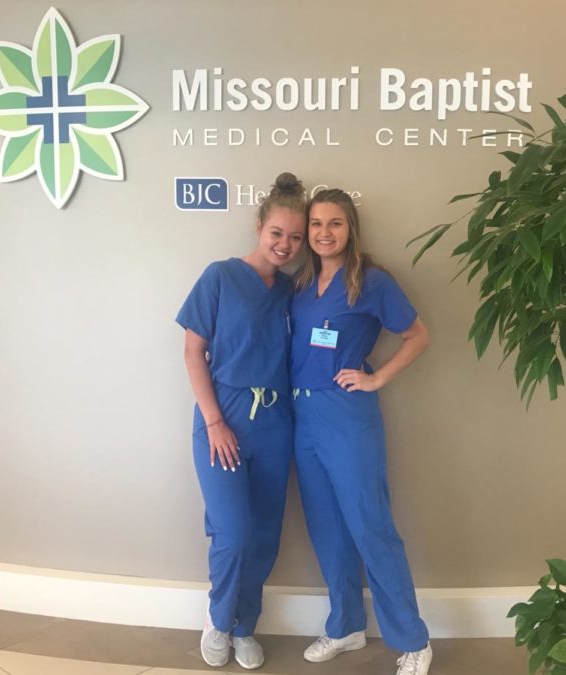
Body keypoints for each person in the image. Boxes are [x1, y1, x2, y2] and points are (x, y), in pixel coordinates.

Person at [290, 188, 433, 675]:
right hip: (302, 417)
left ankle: (413, 639)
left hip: (347, 416)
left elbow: (418, 336)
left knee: (371, 527)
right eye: (316, 224)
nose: (324, 233)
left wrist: (375, 377)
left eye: (334, 223)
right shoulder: (302, 283)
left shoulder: (370, 282)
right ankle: (346, 625)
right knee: (327, 529)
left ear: (351, 228)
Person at [176, 173, 307, 670]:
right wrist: (214, 422)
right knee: (231, 531)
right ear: (259, 225)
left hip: (275, 423)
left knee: (265, 534)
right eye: (277, 233)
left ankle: (245, 624)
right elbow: (192, 352)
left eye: (295, 238)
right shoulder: (220, 276)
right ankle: (218, 617)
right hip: (222, 418)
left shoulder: (291, 290)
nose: (286, 245)